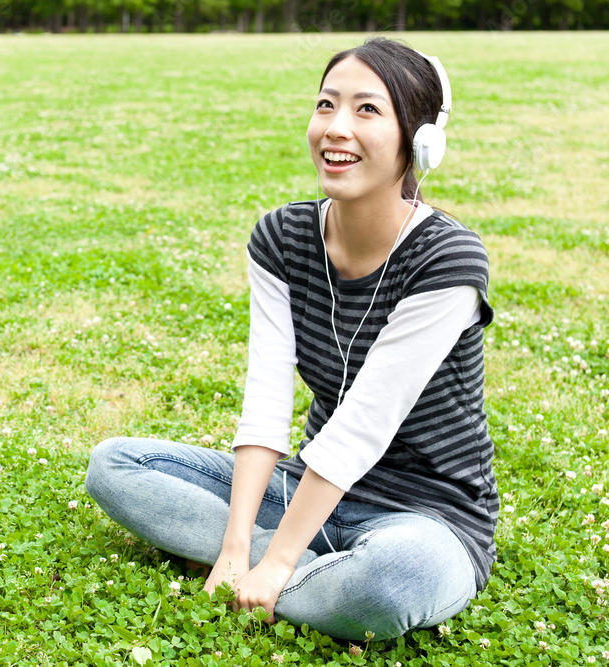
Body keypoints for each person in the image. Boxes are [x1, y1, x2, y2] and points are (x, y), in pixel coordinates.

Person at [84, 36, 498, 642]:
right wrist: (234, 544)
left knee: (392, 583)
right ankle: (296, 571)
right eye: (326, 105)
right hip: (305, 489)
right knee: (115, 465)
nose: (336, 127)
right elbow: (267, 400)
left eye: (366, 110)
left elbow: (363, 427)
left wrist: (276, 562)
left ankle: (297, 571)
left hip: (427, 514)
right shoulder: (282, 238)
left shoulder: (448, 259)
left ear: (420, 140)